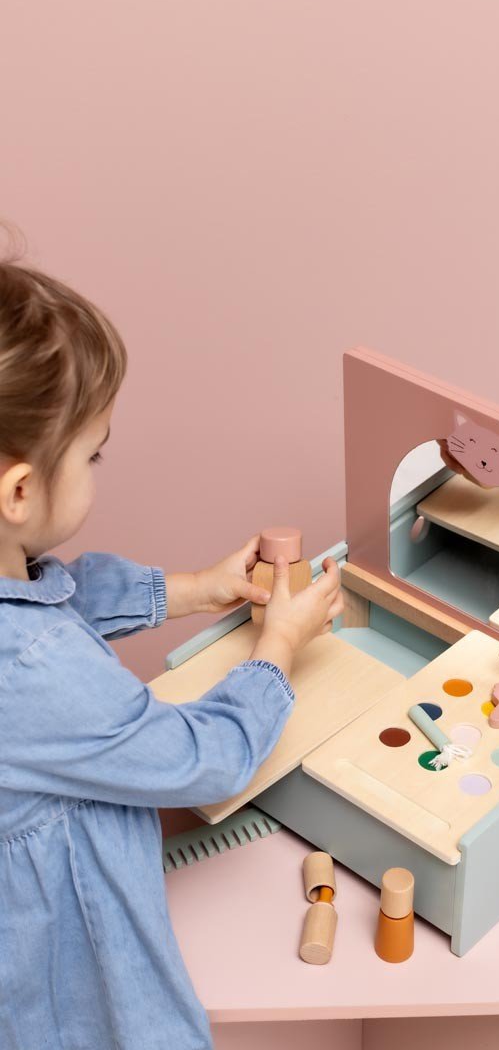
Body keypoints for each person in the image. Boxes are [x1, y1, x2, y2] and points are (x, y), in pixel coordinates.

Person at [0, 254, 343, 1049]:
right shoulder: (36, 670)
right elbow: (205, 756)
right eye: (92, 455)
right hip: (56, 958)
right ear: (19, 492)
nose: (96, 469)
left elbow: (55, 591)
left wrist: (191, 588)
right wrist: (278, 649)